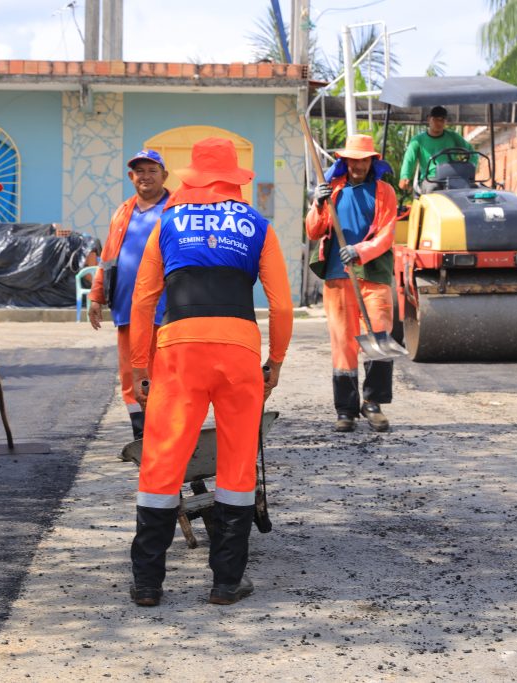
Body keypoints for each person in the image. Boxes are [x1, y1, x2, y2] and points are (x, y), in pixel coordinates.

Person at [127, 137, 294, 607]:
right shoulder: (258, 225)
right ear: (234, 179)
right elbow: (281, 306)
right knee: (237, 463)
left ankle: (147, 583)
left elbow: (143, 299)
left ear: (193, 178)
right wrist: (275, 361)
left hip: (179, 350)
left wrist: (140, 363)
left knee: (162, 460)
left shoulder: (168, 222)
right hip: (240, 350)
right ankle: (226, 582)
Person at [306, 134, 397, 433]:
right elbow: (313, 230)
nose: (358, 165)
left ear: (372, 161)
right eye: (353, 160)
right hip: (337, 275)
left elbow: (386, 234)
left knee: (378, 339)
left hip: (373, 275)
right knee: (342, 343)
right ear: (345, 162)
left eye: (364, 159)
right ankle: (346, 410)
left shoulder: (384, 191)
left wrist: (360, 251)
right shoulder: (333, 191)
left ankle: (373, 404)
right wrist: (318, 204)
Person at [88, 149, 170, 440]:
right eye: (140, 171)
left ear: (164, 176)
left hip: (166, 311)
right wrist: (96, 295)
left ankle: (163, 434)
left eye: (152, 170)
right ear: (131, 176)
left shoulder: (176, 209)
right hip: (126, 309)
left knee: (163, 373)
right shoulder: (123, 211)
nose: (145, 176)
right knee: (130, 375)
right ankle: (141, 436)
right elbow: (108, 257)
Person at [398, 105, 473, 193]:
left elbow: (471, 152)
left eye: (442, 120)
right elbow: (409, 160)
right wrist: (405, 176)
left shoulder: (453, 137)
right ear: (429, 119)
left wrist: (471, 166)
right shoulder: (418, 141)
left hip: (452, 177)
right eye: (436, 119)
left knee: (471, 190)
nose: (439, 123)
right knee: (433, 189)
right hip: (430, 179)